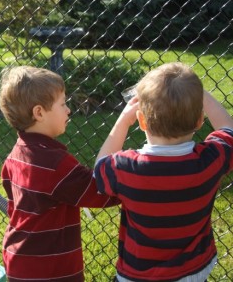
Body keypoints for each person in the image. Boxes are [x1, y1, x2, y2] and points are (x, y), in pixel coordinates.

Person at [94, 62, 233, 281]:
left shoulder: (125, 167)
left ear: (141, 121)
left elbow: (99, 167)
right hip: (193, 271)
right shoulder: (210, 161)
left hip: (137, 275)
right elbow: (228, 128)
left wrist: (122, 121)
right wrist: (198, 92)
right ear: (199, 120)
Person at [0, 65, 120, 281]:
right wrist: (139, 181)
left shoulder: (16, 154)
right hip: (50, 271)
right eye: (62, 104)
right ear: (39, 113)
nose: (68, 110)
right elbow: (100, 191)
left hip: (18, 260)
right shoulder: (54, 164)